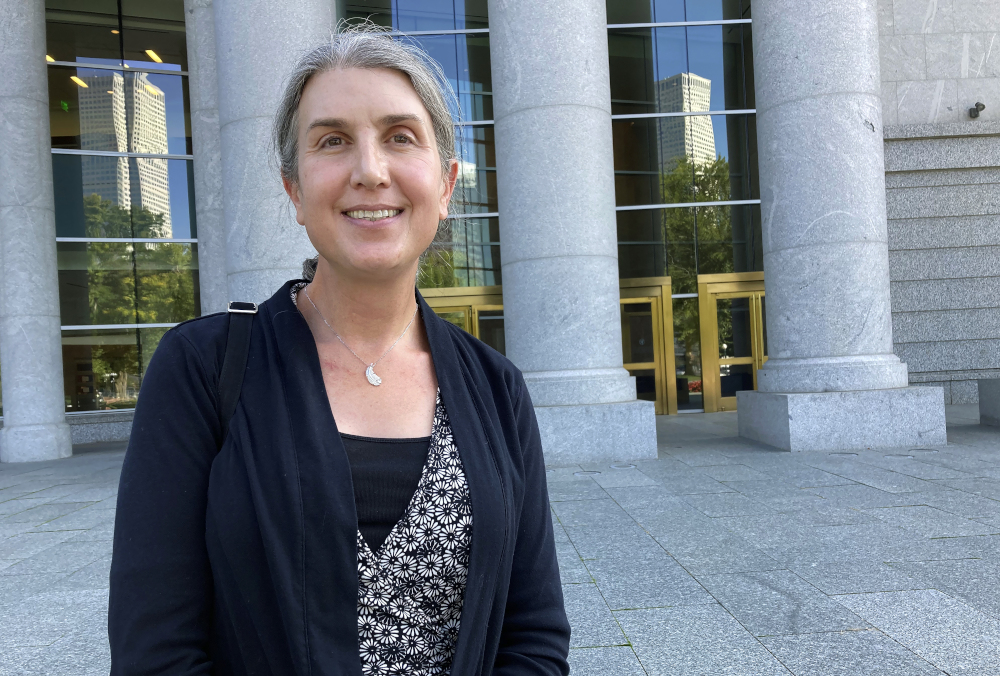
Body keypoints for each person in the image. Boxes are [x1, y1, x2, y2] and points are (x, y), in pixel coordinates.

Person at [108, 25, 570, 676]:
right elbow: (155, 652)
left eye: (400, 137)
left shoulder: (497, 389)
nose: (369, 171)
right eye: (332, 141)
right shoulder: (201, 369)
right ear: (295, 190)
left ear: (446, 185)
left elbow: (535, 636)